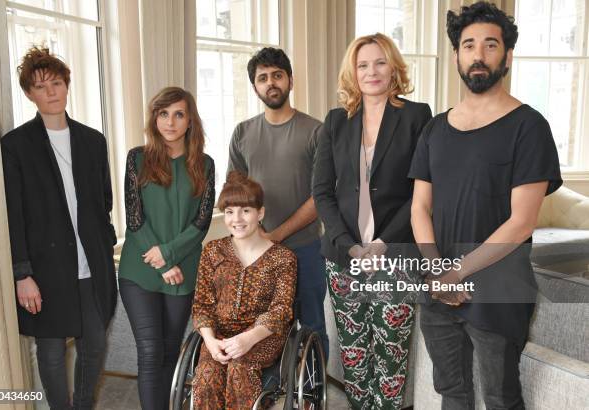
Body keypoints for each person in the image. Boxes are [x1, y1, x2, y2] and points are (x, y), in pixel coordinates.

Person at [409, 2, 562, 409]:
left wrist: (455, 273)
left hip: (498, 289)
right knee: (451, 393)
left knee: (499, 397)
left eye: (490, 45)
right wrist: (437, 270)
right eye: (468, 45)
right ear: (457, 55)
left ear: (507, 56)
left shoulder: (529, 128)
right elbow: (419, 208)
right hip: (439, 287)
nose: (478, 55)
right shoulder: (434, 129)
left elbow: (521, 221)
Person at [313, 33, 432, 409]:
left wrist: (381, 244)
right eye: (363, 65)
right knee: (354, 358)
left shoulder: (416, 116)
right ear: (353, 72)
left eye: (380, 62)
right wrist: (349, 244)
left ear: (393, 67)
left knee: (391, 358)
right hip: (343, 256)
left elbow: (421, 192)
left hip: (394, 254)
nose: (372, 71)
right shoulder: (335, 121)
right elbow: (322, 192)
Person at [1, 46, 117, 409]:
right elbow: (13, 216)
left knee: (94, 345)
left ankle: (82, 404)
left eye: (56, 82)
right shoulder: (16, 146)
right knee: (50, 350)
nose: (50, 91)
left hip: (91, 266)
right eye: (40, 86)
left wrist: (106, 243)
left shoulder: (92, 140)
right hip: (44, 269)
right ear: (29, 94)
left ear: (67, 85)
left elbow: (104, 201)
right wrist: (23, 274)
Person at [227, 47, 328, 357]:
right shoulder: (243, 132)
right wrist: (253, 240)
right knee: (262, 328)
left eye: (277, 76)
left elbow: (320, 197)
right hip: (256, 253)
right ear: (255, 86)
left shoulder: (316, 131)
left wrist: (276, 236)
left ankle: (312, 398)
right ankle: (268, 394)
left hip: (306, 250)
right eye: (262, 78)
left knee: (312, 326)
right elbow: (235, 195)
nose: (270, 83)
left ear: (290, 81)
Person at [118, 86, 215, 409]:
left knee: (171, 351)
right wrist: (162, 262)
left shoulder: (206, 164)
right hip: (139, 269)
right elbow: (134, 217)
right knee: (149, 351)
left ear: (190, 121)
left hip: (183, 269)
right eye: (163, 114)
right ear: (154, 118)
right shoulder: (137, 158)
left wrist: (171, 256)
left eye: (178, 114)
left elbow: (201, 222)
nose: (170, 122)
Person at [191, 171, 297, 409]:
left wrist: (247, 339)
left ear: (260, 213)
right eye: (229, 211)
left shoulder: (283, 258)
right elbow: (202, 304)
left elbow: (281, 309)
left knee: (240, 368)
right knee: (207, 374)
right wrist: (209, 341)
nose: (236, 219)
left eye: (245, 210)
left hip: (263, 336)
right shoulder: (212, 251)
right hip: (218, 335)